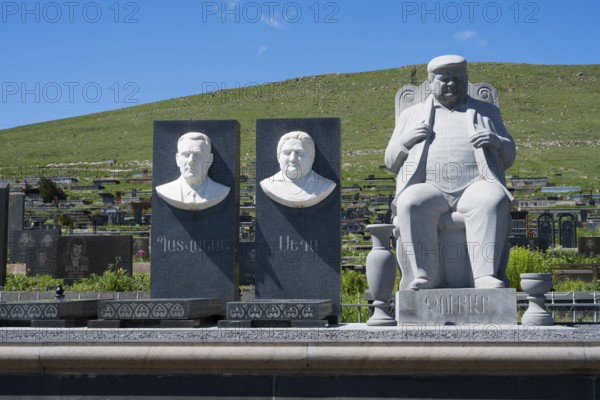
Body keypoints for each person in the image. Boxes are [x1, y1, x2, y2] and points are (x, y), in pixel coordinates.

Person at [384, 55, 516, 290]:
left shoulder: (486, 112)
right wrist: (406, 140)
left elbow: (509, 157)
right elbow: (391, 162)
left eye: (458, 78)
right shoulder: (411, 115)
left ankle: (484, 276)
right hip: (430, 187)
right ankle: (426, 276)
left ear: (466, 79)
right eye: (445, 79)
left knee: (492, 199)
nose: (452, 84)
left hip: (475, 184)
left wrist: (496, 141)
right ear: (431, 81)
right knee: (411, 202)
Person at [156, 132, 230, 211]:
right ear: (178, 159)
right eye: (186, 154)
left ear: (209, 160)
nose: (191, 161)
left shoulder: (220, 191)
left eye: (197, 155)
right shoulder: (166, 191)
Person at [260, 131, 336, 208]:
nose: (292, 159)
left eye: (299, 152)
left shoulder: (324, 186)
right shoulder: (269, 185)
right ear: (279, 157)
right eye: (287, 153)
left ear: (312, 157)